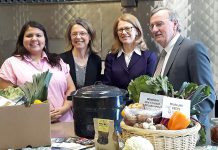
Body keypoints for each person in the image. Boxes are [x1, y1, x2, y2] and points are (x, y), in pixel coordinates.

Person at [149, 7, 216, 129]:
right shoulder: (162, 56)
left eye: (159, 24)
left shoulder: (193, 49)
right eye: (152, 26)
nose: (154, 29)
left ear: (174, 24)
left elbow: (208, 95)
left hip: (188, 135)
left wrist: (187, 124)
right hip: (166, 133)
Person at [0, 21, 76, 123]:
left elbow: (71, 88)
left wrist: (65, 108)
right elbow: (8, 100)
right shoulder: (11, 63)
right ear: (22, 40)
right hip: (31, 125)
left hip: (65, 121)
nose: (34, 38)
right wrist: (38, 115)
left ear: (45, 39)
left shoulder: (57, 61)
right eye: (29, 35)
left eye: (39, 35)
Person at [103, 13, 158, 90]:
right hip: (117, 101)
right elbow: (107, 86)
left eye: (127, 28)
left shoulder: (150, 57)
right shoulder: (111, 57)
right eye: (120, 29)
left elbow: (149, 88)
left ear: (137, 31)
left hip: (140, 102)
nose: (124, 32)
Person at [60, 18, 102, 89]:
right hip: (67, 100)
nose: (78, 37)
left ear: (90, 37)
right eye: (74, 34)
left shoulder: (96, 60)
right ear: (70, 37)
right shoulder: (61, 60)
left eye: (82, 33)